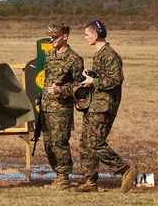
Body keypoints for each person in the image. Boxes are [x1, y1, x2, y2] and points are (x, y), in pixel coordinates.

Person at [73, 19, 134, 193]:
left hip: (105, 106)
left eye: (86, 34)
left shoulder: (109, 54)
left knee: (96, 143)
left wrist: (94, 81)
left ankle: (125, 169)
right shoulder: (99, 54)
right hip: (94, 105)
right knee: (85, 144)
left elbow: (116, 80)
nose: (85, 38)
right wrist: (89, 77)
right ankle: (90, 181)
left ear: (95, 34)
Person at [40, 23, 84, 190]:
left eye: (55, 37)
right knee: (48, 143)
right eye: (51, 37)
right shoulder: (49, 55)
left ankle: (64, 177)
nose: (52, 40)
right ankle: (58, 176)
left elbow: (80, 85)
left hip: (61, 108)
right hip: (46, 107)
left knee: (60, 142)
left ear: (65, 36)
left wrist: (61, 90)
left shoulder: (74, 59)